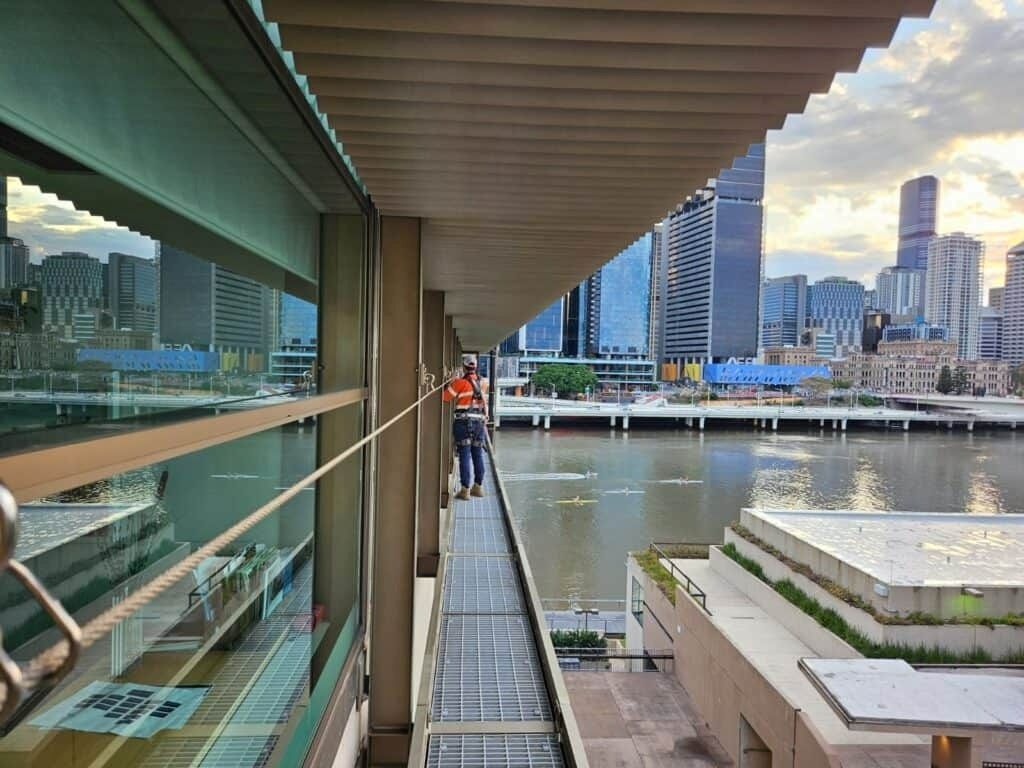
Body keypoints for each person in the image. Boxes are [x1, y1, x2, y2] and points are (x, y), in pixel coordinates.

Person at [443, 354, 489, 500]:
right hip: (479, 424)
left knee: (464, 455)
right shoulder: (484, 382)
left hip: (463, 423)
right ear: (475, 367)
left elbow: (445, 397)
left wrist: (449, 382)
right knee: (477, 455)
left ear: (463, 367)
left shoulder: (460, 383)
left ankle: (465, 490)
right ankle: (478, 487)